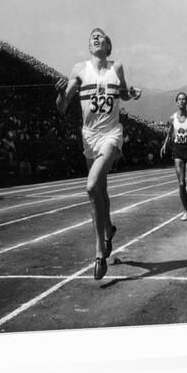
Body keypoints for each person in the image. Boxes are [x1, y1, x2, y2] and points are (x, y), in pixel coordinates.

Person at [55, 28, 142, 280]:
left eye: (100, 36)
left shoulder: (118, 67)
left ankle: (99, 252)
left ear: (108, 45)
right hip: (89, 136)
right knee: (101, 191)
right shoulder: (79, 69)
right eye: (92, 37)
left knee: (92, 186)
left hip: (112, 134)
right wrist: (61, 94)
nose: (95, 38)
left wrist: (132, 94)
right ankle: (109, 230)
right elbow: (62, 108)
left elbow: (123, 94)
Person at [160, 92, 187, 221]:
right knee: (181, 183)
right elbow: (169, 133)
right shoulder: (172, 118)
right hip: (177, 150)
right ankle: (185, 211)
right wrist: (164, 145)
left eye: (184, 99)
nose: (181, 101)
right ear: (176, 102)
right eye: (179, 99)